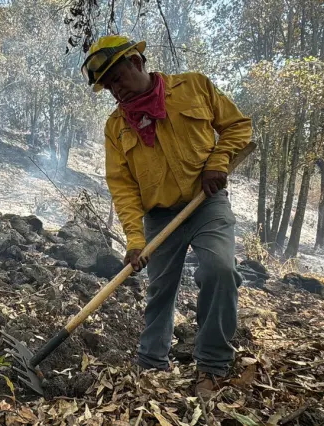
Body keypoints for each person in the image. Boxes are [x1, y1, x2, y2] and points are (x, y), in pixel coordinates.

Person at [81, 35, 252, 398]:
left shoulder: (194, 87)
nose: (116, 90)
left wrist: (218, 163)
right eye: (108, 84)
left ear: (138, 63)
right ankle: (151, 362)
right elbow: (123, 187)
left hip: (207, 202)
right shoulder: (117, 127)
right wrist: (135, 240)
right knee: (160, 289)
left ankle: (211, 366)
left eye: (118, 77)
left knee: (220, 270)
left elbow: (238, 126)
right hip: (159, 216)